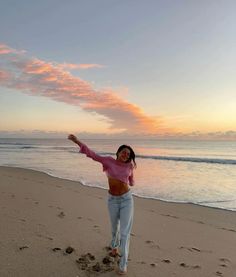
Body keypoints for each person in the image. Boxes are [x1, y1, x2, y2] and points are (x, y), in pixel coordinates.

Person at [68, 134, 136, 275]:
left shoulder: (130, 166)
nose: (125, 154)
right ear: (118, 152)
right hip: (112, 199)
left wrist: (130, 181)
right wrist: (77, 141)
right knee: (114, 228)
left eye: (128, 154)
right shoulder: (108, 161)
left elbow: (131, 181)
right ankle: (114, 246)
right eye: (123, 151)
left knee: (125, 233)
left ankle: (123, 265)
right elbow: (92, 154)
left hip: (126, 200)